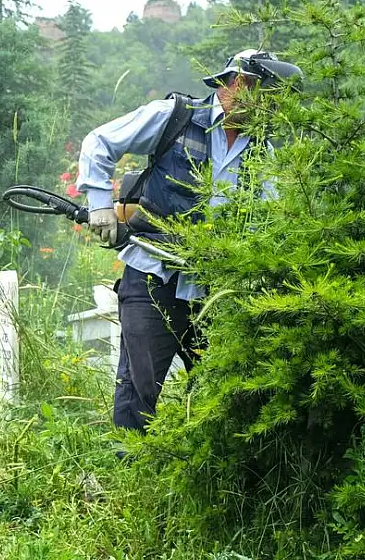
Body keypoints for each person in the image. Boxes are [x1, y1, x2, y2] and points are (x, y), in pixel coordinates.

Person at [76, 49, 301, 433]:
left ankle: (200, 473)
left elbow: (268, 223)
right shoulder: (175, 119)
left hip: (216, 291)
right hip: (152, 276)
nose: (272, 108)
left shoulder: (264, 153)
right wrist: (100, 207)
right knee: (139, 388)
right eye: (267, 95)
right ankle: (131, 470)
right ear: (238, 84)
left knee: (220, 390)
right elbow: (99, 143)